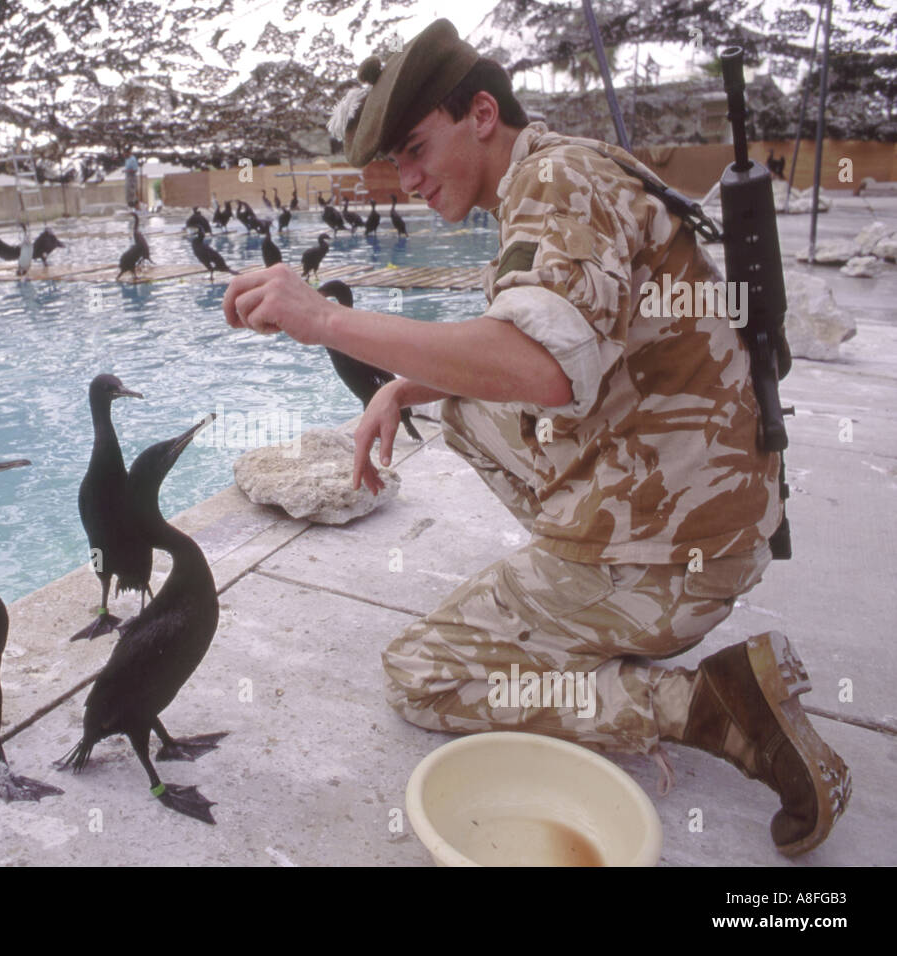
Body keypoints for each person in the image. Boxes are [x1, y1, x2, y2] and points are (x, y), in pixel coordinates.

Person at [222, 18, 850, 856]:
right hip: (712, 510)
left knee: (422, 674)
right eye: (394, 164)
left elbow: (540, 370)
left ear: (481, 112)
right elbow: (541, 346)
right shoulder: (563, 168)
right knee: (457, 403)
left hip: (677, 552)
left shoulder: (556, 184)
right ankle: (575, 584)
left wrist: (326, 318)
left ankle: (709, 704)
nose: (408, 180)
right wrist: (402, 389)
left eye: (416, 148)